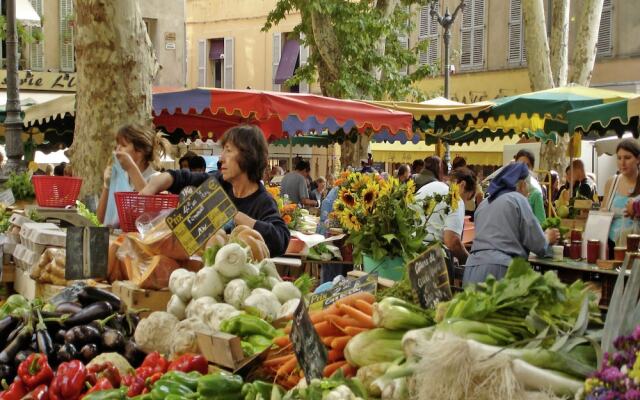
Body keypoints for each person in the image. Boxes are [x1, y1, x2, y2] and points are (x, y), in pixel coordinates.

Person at [141, 125, 290, 257]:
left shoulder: (263, 202)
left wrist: (232, 214)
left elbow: (280, 238)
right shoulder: (220, 182)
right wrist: (158, 181)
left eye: (228, 151)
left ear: (248, 156)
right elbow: (185, 178)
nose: (221, 158)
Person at [463, 163, 560, 285]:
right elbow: (538, 244)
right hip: (500, 271)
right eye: (527, 185)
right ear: (521, 185)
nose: (528, 191)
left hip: (472, 270)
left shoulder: (483, 204)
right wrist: (548, 237)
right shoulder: (518, 199)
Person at [97, 124, 171, 227]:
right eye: (116, 145)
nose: (117, 150)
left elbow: (150, 217)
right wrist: (107, 186)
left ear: (140, 151)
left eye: (123, 145)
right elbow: (100, 219)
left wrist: (131, 167)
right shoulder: (121, 178)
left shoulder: (156, 179)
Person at [416, 167, 477, 265]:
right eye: (467, 198)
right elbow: (452, 241)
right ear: (462, 185)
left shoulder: (431, 186)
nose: (464, 203)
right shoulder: (455, 198)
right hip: (431, 260)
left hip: (409, 252)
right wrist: (468, 260)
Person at [603, 139, 640, 254]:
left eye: (627, 158)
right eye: (619, 158)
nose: (622, 163)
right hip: (612, 244)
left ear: (638, 159)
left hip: (636, 246)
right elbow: (603, 209)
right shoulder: (611, 182)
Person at [514, 149, 546, 224]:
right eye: (519, 164)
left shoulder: (536, 194)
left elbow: (541, 224)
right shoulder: (508, 189)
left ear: (532, 169)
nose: (522, 168)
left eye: (527, 165)